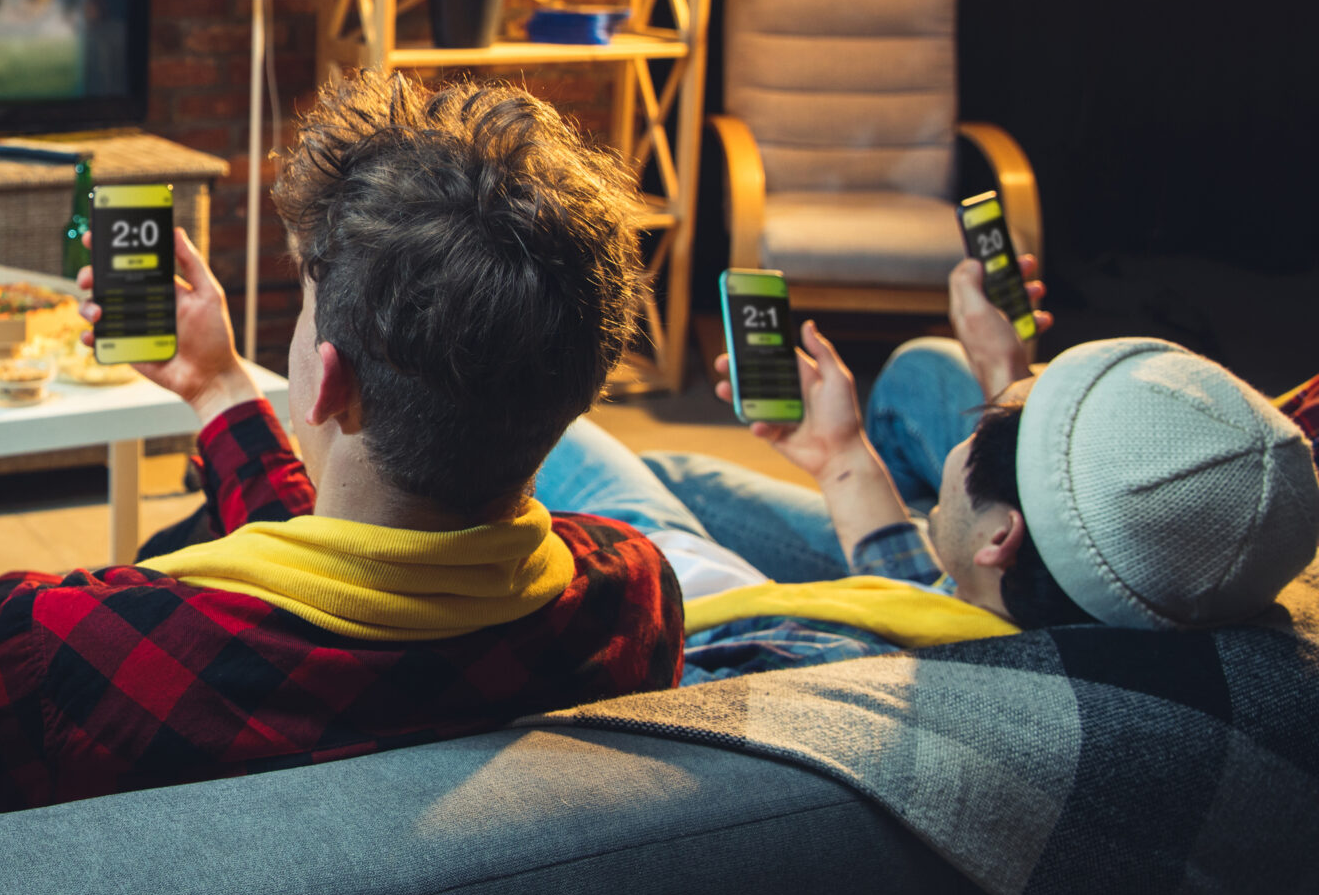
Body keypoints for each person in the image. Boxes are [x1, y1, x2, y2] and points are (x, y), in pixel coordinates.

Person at [0, 72, 686, 819]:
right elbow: (358, 571)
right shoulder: (633, 596)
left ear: (322, 382)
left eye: (304, 306)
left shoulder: (56, 649)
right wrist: (217, 385)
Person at [536, 258, 1319, 679]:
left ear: (1001, 536)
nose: (966, 427)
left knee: (570, 438)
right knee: (679, 465)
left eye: (979, 428)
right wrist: (840, 453)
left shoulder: (825, 658)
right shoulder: (1018, 624)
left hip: (697, 602)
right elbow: (926, 597)